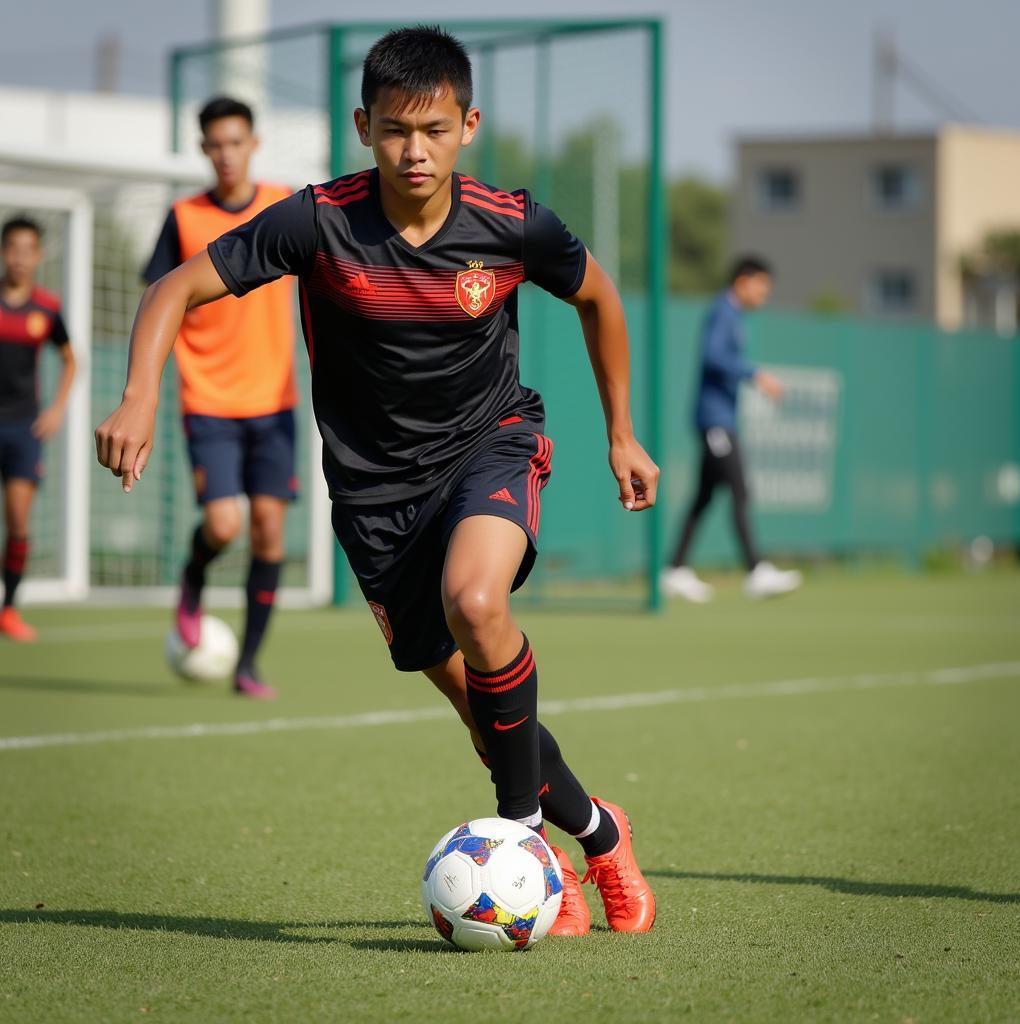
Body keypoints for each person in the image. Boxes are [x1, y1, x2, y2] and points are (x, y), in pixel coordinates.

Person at [97, 26, 658, 937]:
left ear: (467, 124)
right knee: (487, 718)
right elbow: (170, 290)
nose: (415, 149)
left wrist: (623, 434)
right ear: (363, 125)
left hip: (490, 444)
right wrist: (137, 399)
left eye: (434, 128)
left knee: (478, 603)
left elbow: (599, 296)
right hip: (374, 498)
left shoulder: (511, 222)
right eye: (396, 129)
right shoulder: (316, 221)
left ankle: (522, 848)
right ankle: (598, 832)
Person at [143, 96, 297, 699]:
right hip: (208, 399)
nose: (227, 154)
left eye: (237, 142)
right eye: (216, 144)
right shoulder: (183, 217)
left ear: (252, 144)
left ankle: (248, 664)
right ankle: (192, 576)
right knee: (225, 523)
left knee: (268, 531)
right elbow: (157, 298)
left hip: (275, 400)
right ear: (204, 149)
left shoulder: (284, 204)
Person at [662, 256, 802, 601]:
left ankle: (676, 569)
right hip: (714, 421)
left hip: (721, 419)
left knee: (704, 497)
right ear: (743, 280)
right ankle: (756, 570)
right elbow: (712, 356)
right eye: (761, 288)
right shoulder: (723, 312)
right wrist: (755, 374)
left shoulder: (734, 315)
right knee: (739, 488)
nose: (763, 296)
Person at [0, 216, 76, 641]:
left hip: (23, 431)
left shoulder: (46, 308)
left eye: (28, 250)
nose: (20, 258)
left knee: (18, 521)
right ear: (3, 251)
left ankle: (8, 609)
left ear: (38, 256)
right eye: (13, 248)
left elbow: (71, 359)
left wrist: (57, 409)